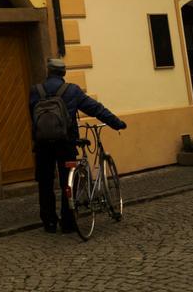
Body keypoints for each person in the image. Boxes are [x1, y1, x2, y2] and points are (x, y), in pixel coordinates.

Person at [28, 57, 127, 234]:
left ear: (48, 72)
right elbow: (95, 108)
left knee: (45, 182)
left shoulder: (36, 90)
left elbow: (33, 118)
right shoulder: (71, 90)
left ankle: (49, 222)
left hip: (42, 144)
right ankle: (68, 222)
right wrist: (116, 123)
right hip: (65, 143)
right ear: (63, 73)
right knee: (68, 181)